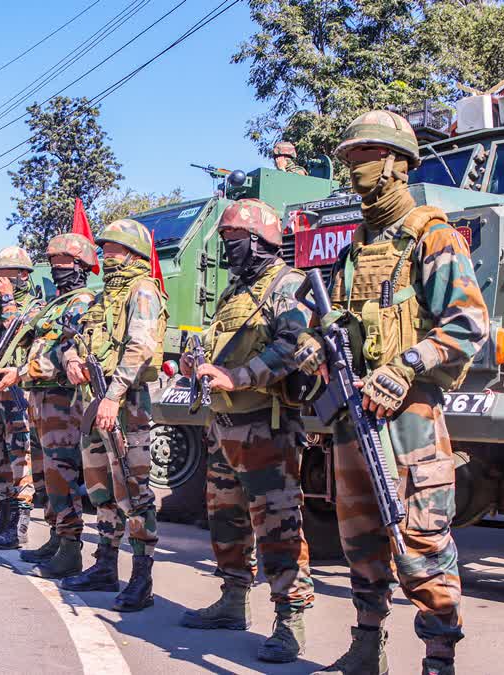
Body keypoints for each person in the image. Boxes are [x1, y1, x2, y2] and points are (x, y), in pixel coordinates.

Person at [310, 111, 489, 675]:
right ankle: (367, 647)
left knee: (422, 541)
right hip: (353, 415)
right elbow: (336, 318)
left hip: (408, 416)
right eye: (351, 158)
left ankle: (439, 660)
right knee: (359, 537)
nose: (353, 168)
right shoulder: (357, 246)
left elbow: (468, 324)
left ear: (395, 164)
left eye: (364, 157)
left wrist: (409, 363)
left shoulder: (431, 234)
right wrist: (317, 347)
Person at [177, 198, 316, 663]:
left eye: (233, 239)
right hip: (225, 427)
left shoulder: (288, 286)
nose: (227, 247)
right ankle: (233, 602)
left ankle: (289, 622)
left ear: (259, 242)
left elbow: (293, 346)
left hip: (265, 428)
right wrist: (199, 361)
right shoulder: (234, 292)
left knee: (278, 526)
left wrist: (238, 376)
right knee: (226, 520)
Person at [60, 218, 165, 613]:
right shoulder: (104, 296)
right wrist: (71, 359)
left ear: (133, 252)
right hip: (94, 403)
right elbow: (78, 339)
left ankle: (142, 579)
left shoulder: (142, 290)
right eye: (104, 248)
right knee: (101, 489)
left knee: (133, 492)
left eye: (113, 249)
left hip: (125, 405)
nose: (106, 254)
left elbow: (142, 347)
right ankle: (105, 566)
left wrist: (114, 396)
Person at [0, 233, 96, 576]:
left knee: (61, 473)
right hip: (40, 397)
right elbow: (28, 339)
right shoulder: (55, 304)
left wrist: (22, 371)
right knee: (46, 474)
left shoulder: (82, 301)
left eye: (63, 262)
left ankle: (70, 548)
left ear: (80, 264)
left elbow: (64, 353)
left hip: (61, 398)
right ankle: (56, 535)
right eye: (52, 262)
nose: (55, 268)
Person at [0, 245, 40, 550]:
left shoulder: (34, 305)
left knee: (19, 454)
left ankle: (20, 524)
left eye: (5, 276)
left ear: (21, 276)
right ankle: (2, 514)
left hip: (18, 387)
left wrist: (7, 300)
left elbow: (21, 332)